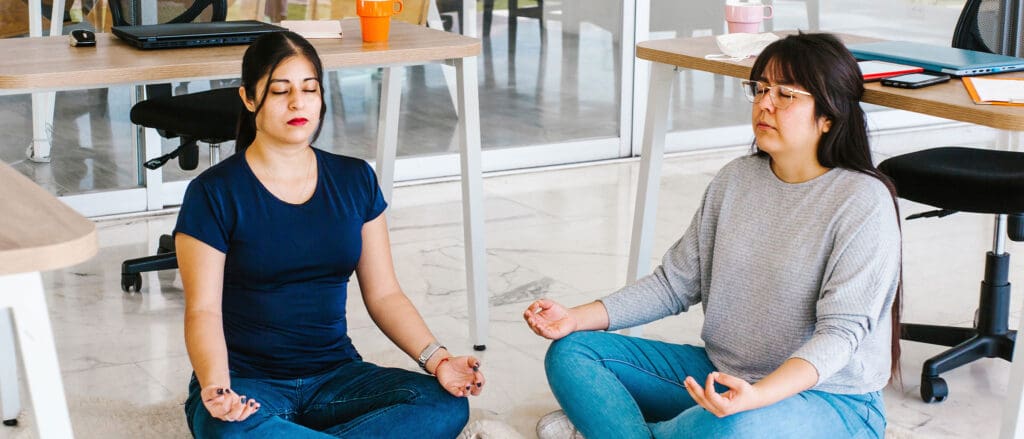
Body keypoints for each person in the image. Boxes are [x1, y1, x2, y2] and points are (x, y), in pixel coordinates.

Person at [524, 32, 901, 439]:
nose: (765, 103)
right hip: (722, 376)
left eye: (786, 94)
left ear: (829, 115)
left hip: (830, 399)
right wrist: (575, 318)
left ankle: (619, 429)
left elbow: (839, 336)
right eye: (760, 89)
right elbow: (674, 285)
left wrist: (756, 398)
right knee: (572, 352)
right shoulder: (737, 179)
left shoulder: (862, 201)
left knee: (732, 427)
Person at [176, 31, 484, 438]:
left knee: (443, 405)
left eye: (310, 89)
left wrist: (439, 360)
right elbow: (203, 311)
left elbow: (385, 294)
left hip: (335, 379)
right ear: (249, 99)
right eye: (279, 91)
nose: (297, 102)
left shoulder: (354, 179)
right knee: (230, 431)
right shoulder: (213, 193)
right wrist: (217, 386)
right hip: (247, 386)